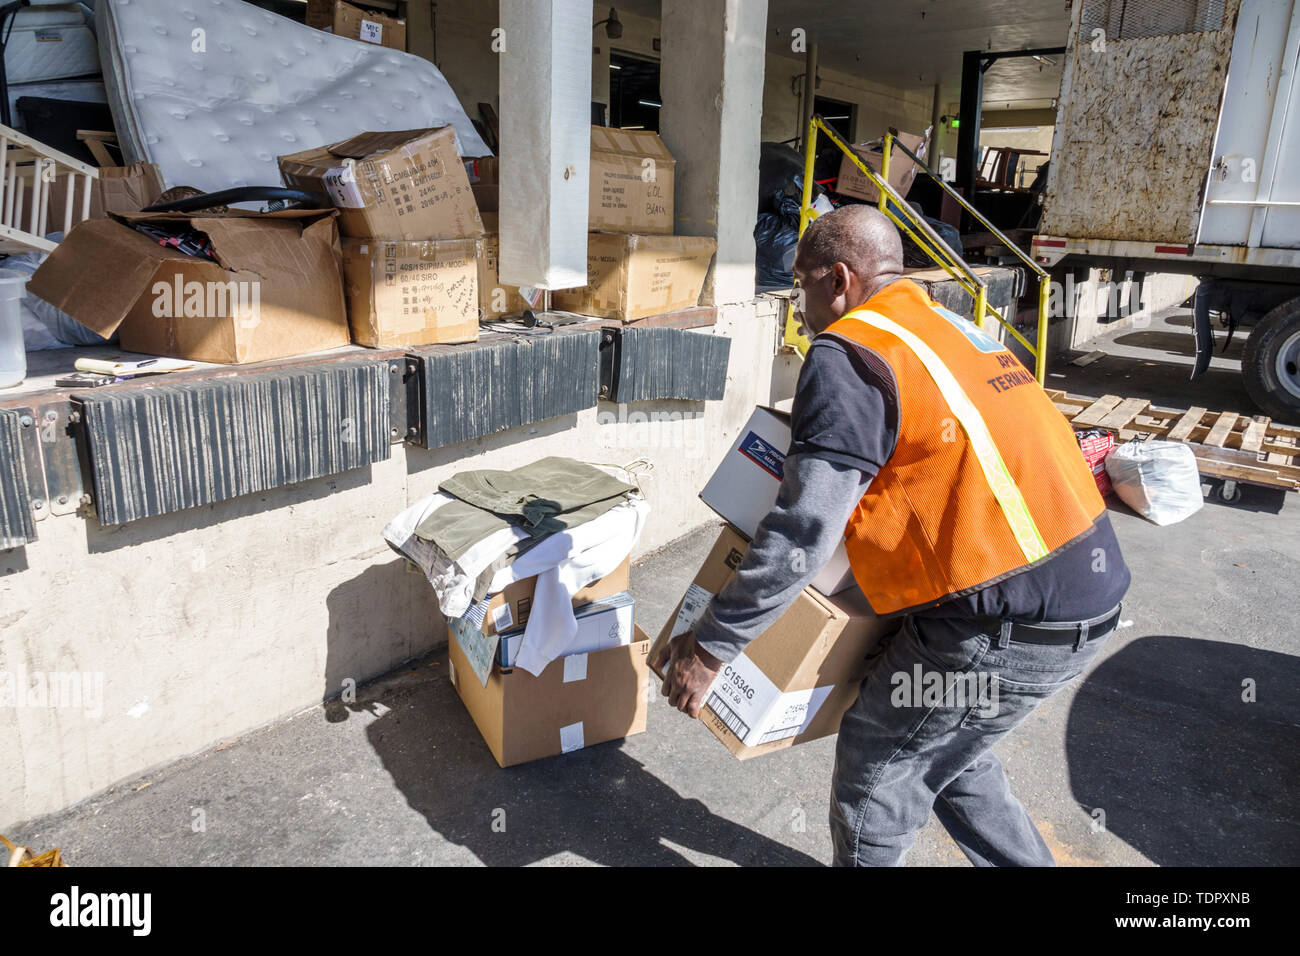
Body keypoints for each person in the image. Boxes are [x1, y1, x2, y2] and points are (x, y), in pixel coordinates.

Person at [656, 204, 1130, 867]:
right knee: (947, 754)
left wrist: (710, 649)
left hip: (1000, 627)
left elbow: (803, 531)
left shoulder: (850, 352)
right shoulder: (950, 327)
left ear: (840, 280)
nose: (798, 307)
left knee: (878, 772)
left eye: (800, 285)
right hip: (1083, 599)